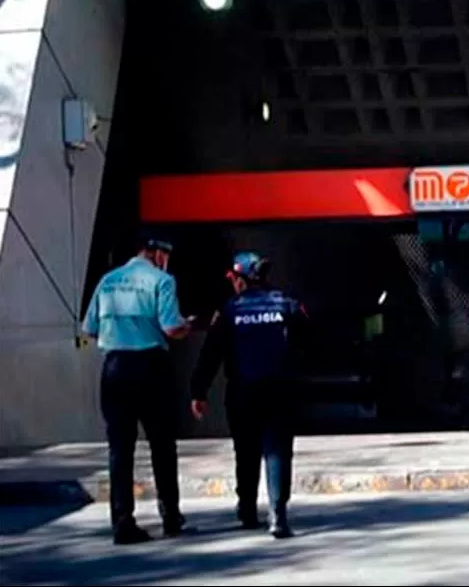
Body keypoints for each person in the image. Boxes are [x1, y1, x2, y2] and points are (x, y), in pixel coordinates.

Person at [80, 231, 193, 545]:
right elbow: (171, 327)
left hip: (114, 369)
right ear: (156, 253)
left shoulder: (108, 281)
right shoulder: (162, 281)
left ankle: (122, 522)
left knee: (120, 449)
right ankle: (170, 515)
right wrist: (186, 325)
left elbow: (88, 328)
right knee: (161, 444)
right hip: (150, 367)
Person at [189, 252, 309, 539]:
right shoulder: (287, 305)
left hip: (243, 391)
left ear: (241, 279)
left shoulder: (229, 310)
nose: (232, 284)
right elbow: (310, 342)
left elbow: (210, 355)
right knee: (278, 450)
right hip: (280, 389)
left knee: (246, 451)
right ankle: (278, 516)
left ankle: (247, 509)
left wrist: (198, 391)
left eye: (233, 279)